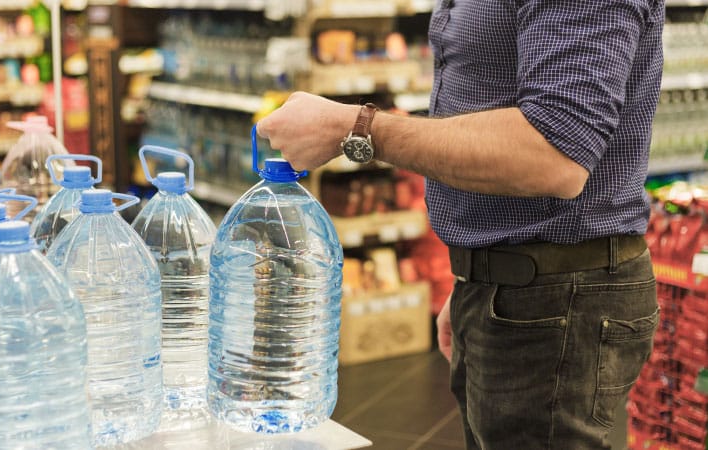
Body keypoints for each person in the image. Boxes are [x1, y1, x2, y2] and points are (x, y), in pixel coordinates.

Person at [256, 0, 664, 448]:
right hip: (517, 281)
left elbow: (554, 154)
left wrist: (356, 128)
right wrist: (481, 269)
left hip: (558, 297)